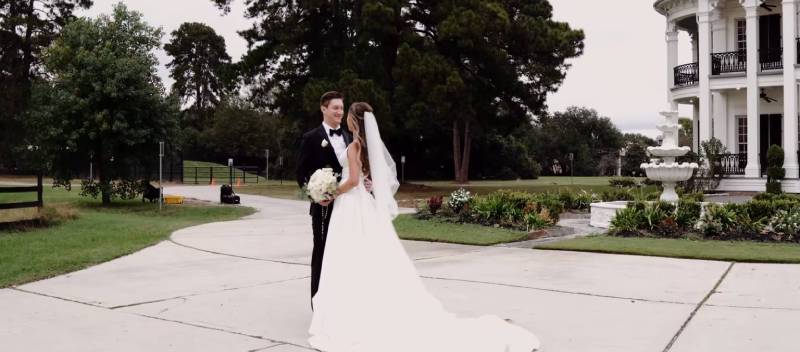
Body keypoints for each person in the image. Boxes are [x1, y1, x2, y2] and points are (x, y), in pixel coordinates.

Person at [307, 102, 541, 352]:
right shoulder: (364, 147)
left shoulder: (355, 146)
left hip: (351, 206)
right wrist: (360, 184)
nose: (345, 118)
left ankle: (351, 315)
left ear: (354, 121)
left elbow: (353, 180)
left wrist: (331, 192)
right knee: (367, 257)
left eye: (348, 114)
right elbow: (368, 178)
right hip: (364, 206)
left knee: (349, 258)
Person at [296, 91, 352, 309]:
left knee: (342, 254)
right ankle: (318, 305)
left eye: (341, 107)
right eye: (335, 107)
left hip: (347, 207)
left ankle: (339, 304)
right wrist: (316, 196)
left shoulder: (349, 137)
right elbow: (300, 174)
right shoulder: (311, 138)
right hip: (322, 208)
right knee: (321, 252)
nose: (339, 111)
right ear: (324, 109)